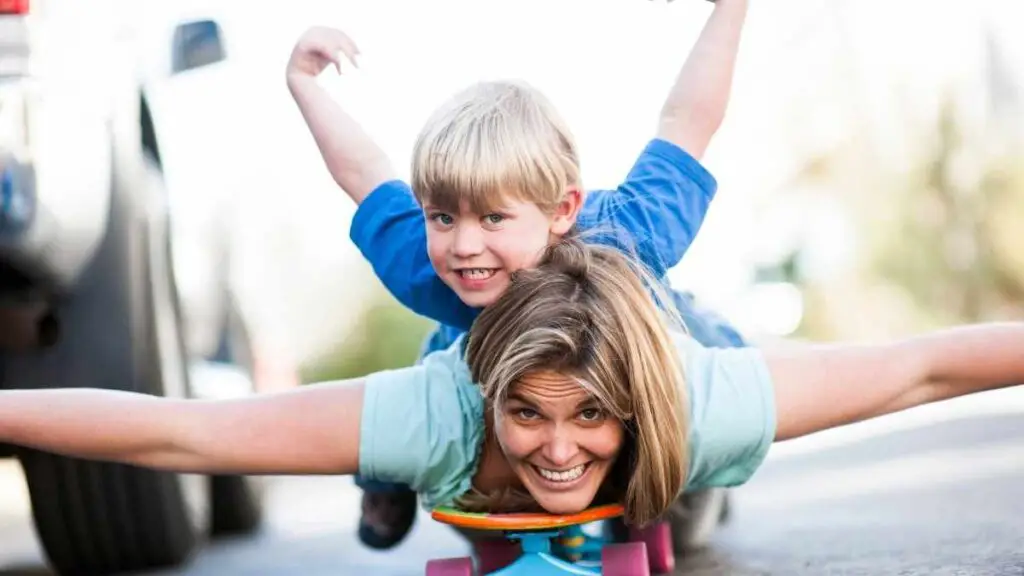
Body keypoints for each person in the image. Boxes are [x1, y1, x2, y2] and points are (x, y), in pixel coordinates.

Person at [1, 237, 1021, 553]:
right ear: (486, 393)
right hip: (469, 396)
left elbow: (919, 366)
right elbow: (184, 435)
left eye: (587, 416)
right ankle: (395, 491)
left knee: (683, 508)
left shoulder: (700, 401)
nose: (560, 448)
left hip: (673, 343)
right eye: (527, 411)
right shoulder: (431, 410)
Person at [286, 0, 749, 548]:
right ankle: (385, 481)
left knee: (707, 343)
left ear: (562, 210)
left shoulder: (626, 234)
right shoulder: (431, 261)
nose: (463, 245)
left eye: (493, 218)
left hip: (640, 353)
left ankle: (682, 491)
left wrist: (731, 9)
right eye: (441, 216)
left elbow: (688, 121)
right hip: (498, 374)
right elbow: (365, 171)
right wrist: (305, 85)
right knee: (433, 367)